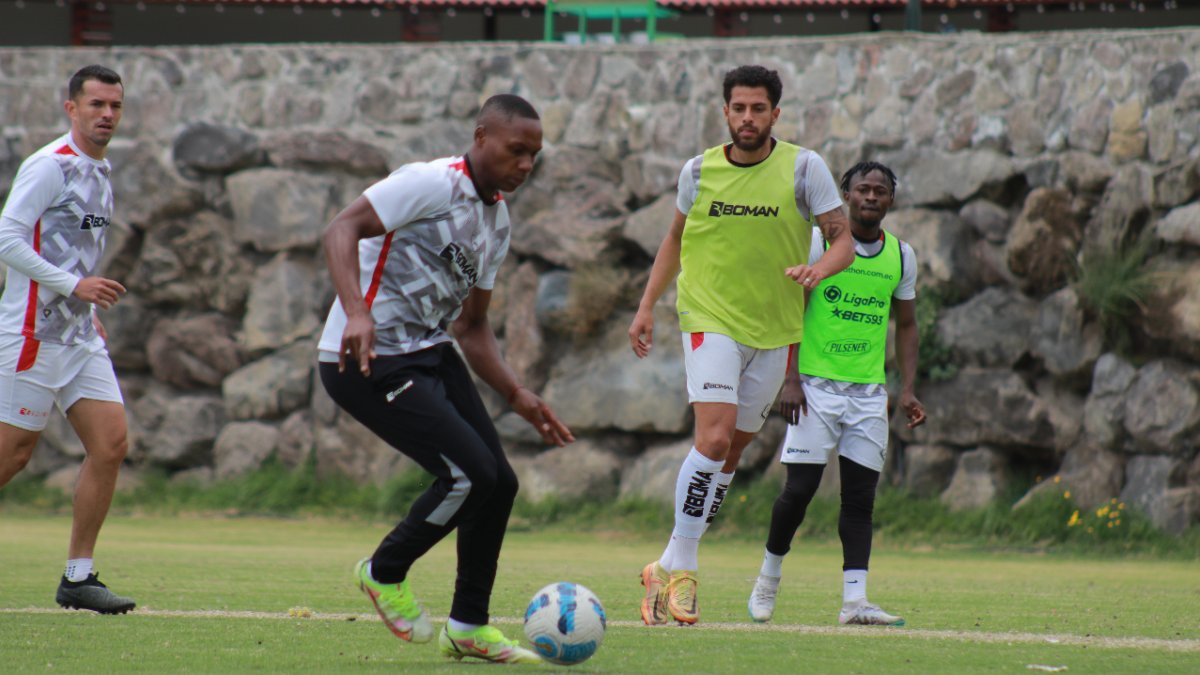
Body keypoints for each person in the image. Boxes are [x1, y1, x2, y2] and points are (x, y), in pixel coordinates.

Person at [318, 94, 573, 664]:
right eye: (516, 150)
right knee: (469, 475)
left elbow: (473, 325)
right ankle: (383, 572)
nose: (526, 165)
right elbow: (342, 228)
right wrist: (357, 311)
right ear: (481, 136)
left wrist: (516, 392)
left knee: (498, 483)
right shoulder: (431, 183)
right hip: (364, 357)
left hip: (428, 351)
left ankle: (469, 626)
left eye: (534, 155)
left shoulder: (497, 220)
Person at [628, 65, 855, 626]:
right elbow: (675, 239)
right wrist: (645, 306)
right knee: (713, 436)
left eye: (758, 109)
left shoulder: (804, 167)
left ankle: (663, 563)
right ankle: (686, 571)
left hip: (774, 330)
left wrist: (818, 269)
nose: (747, 118)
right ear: (725, 112)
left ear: (775, 114)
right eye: (738, 108)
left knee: (731, 453)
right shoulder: (697, 171)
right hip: (709, 316)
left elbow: (843, 239)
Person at [747, 161, 926, 627]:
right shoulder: (816, 244)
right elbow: (791, 311)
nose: (871, 197)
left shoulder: (902, 257)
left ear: (891, 200)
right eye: (862, 189)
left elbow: (906, 324)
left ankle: (855, 602)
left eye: (880, 191)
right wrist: (790, 379)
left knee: (860, 499)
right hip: (813, 389)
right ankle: (769, 576)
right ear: (845, 195)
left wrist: (906, 389)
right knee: (799, 491)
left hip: (868, 395)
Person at [0, 65, 134, 615]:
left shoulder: (100, 170)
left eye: (115, 106)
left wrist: (83, 305)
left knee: (111, 444)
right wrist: (72, 285)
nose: (106, 114)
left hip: (78, 338)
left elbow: (72, 246)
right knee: (12, 457)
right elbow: (7, 236)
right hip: (31, 336)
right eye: (96, 104)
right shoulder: (49, 167)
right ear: (71, 108)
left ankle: (78, 578)